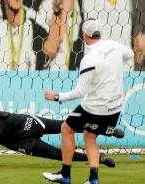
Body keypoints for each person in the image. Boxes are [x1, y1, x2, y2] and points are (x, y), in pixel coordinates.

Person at [42, 19, 134, 184]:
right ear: (100, 33)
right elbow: (131, 54)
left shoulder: (89, 59)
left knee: (66, 129)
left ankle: (65, 175)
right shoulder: (114, 46)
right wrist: (112, 66)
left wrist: (57, 96)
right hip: (115, 107)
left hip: (95, 107)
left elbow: (80, 92)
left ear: (84, 35)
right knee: (90, 137)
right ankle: (93, 179)